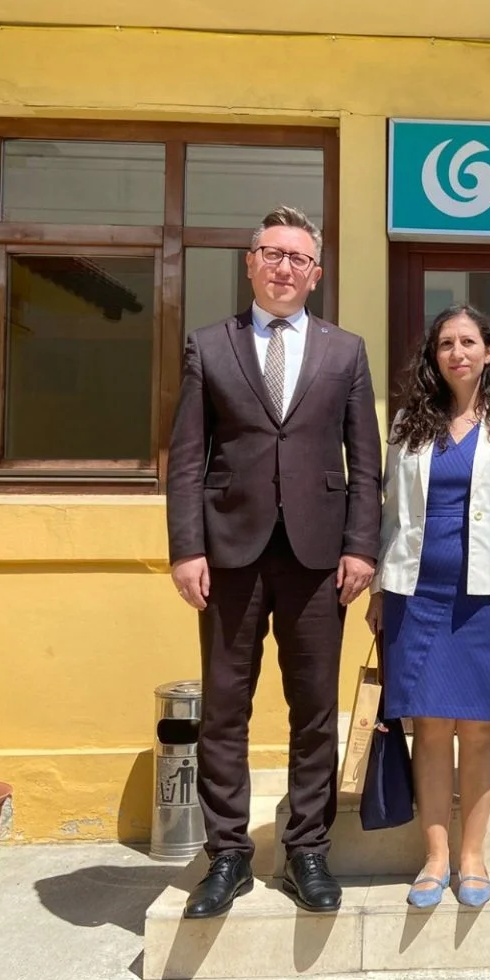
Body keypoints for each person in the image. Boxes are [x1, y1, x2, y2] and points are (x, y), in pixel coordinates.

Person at [166, 205, 380, 918]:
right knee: (226, 707)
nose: (285, 267)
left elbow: (366, 460)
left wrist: (361, 545)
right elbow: (187, 457)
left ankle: (307, 849)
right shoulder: (209, 345)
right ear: (251, 264)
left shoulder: (345, 351)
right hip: (229, 553)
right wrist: (186, 548)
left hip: (319, 557)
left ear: (316, 274)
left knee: (313, 708)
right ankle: (228, 854)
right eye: (273, 254)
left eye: (299, 258)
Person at [366, 305, 490, 910]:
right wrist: (380, 588)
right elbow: (391, 511)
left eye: (468, 342)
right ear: (433, 355)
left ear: (489, 351)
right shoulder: (408, 422)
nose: (457, 353)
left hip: (488, 594)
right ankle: (435, 857)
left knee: (480, 726)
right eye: (446, 343)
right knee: (432, 726)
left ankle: (472, 856)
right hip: (417, 590)